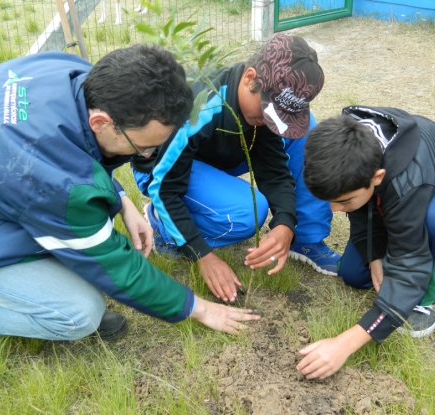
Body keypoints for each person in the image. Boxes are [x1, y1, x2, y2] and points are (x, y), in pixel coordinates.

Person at [0, 44, 260, 360]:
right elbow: (119, 269)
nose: (145, 155)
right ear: (102, 122)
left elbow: (68, 149)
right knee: (79, 312)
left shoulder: (71, 73)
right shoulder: (52, 183)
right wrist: (196, 307)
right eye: (143, 148)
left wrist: (121, 199)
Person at [132, 34, 341, 303]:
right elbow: (163, 186)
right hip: (161, 171)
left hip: (215, 161)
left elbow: (273, 168)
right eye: (268, 113)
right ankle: (162, 228)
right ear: (249, 77)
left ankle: (304, 238)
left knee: (304, 130)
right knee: (246, 213)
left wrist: (286, 222)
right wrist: (201, 255)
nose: (270, 122)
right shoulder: (200, 108)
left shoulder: (260, 114)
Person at [297, 106, 435, 379]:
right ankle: (428, 240)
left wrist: (344, 343)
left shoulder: (407, 182)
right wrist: (374, 256)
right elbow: (362, 209)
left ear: (377, 178)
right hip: (401, 187)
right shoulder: (339, 145)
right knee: (353, 274)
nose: (334, 210)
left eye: (343, 201)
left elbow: (408, 273)